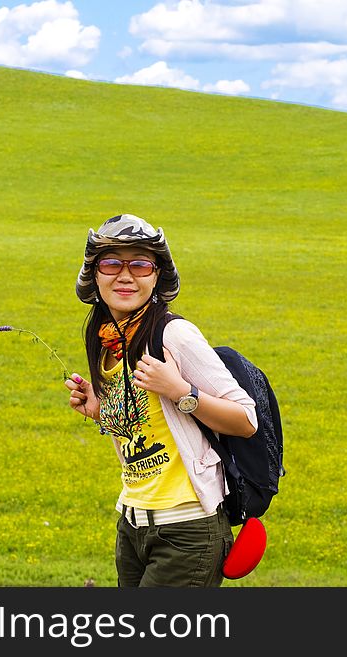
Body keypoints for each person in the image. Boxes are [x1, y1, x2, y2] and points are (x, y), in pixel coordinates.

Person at [64, 214, 258, 587]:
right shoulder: (107, 341)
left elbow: (246, 419)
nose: (125, 275)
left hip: (186, 530)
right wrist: (100, 411)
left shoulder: (174, 335)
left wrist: (181, 392)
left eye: (139, 264)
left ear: (156, 276)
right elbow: (147, 428)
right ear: (94, 274)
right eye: (111, 263)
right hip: (133, 524)